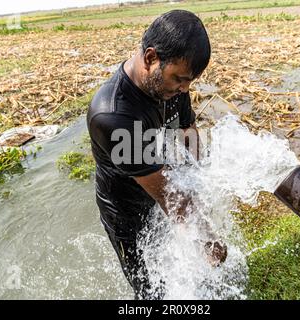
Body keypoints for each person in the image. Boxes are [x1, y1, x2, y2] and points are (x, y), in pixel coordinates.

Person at [87, 10, 226, 300]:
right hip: (125, 212)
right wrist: (208, 237)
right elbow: (170, 198)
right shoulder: (113, 115)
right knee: (149, 289)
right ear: (151, 58)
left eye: (189, 81)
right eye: (180, 79)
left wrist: (201, 176)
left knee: (167, 255)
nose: (184, 89)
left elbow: (186, 130)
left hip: (155, 178)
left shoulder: (172, 83)